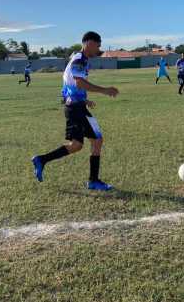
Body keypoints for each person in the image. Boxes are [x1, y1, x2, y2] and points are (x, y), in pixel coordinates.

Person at [31, 31, 119, 191]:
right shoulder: (79, 60)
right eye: (97, 45)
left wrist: (84, 100)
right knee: (92, 141)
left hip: (76, 106)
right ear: (89, 43)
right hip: (75, 109)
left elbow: (69, 86)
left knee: (80, 144)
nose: (98, 49)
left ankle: (41, 160)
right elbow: (79, 83)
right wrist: (104, 90)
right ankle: (93, 181)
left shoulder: (80, 59)